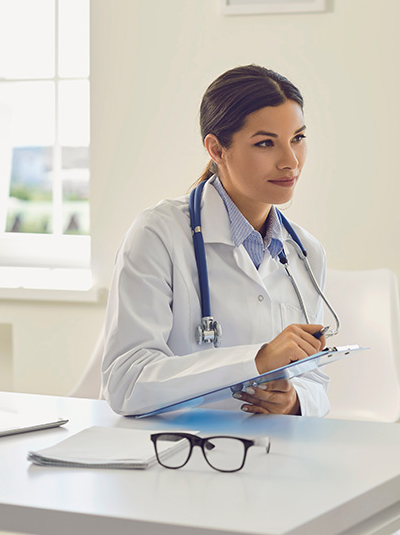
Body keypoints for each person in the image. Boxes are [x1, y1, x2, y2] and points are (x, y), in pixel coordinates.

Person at [101, 65, 331, 418]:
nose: (290, 162)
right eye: (266, 143)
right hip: (178, 453)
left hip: (274, 452)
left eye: (297, 138)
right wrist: (255, 361)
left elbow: (314, 380)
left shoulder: (305, 252)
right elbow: (127, 382)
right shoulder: (158, 235)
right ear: (217, 149)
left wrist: (293, 401)